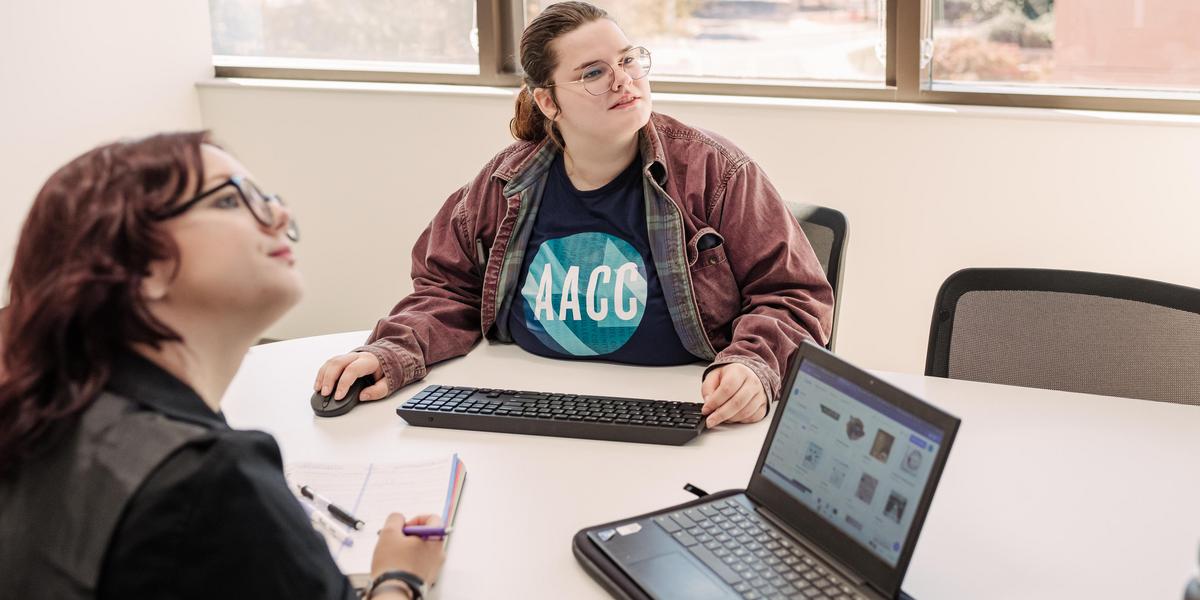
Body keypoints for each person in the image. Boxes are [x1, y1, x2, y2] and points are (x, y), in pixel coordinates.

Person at [315, 1, 834, 428]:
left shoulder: (716, 173)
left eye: (628, 61)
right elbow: (448, 288)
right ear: (548, 101)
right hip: (529, 411)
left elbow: (794, 294)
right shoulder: (504, 183)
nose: (623, 81)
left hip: (683, 415)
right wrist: (391, 351)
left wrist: (754, 366)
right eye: (593, 73)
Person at [0, 132, 444, 599]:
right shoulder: (209, 483)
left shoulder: (39, 421)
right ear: (141, 265)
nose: (280, 216)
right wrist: (400, 578)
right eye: (231, 200)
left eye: (267, 198)